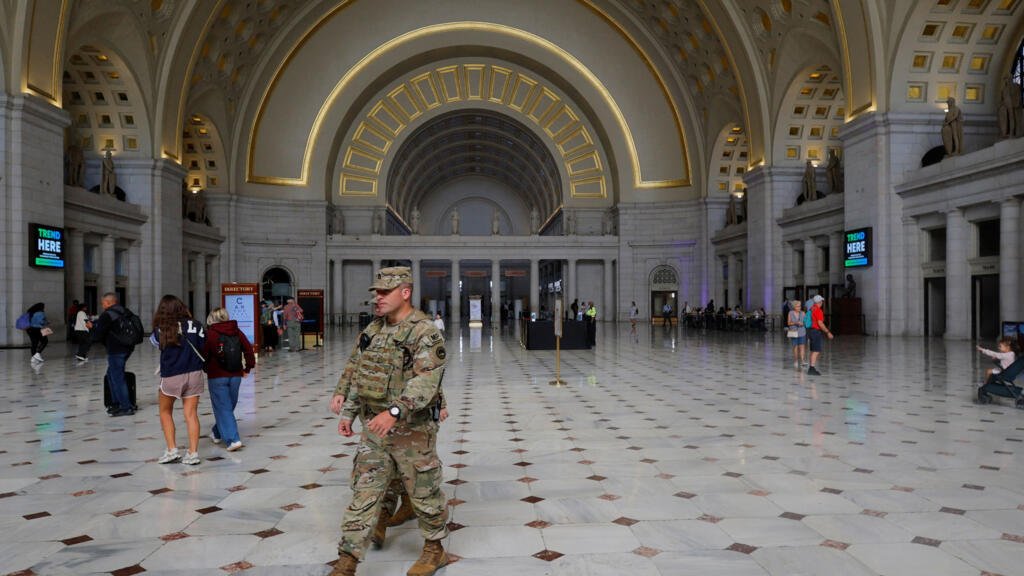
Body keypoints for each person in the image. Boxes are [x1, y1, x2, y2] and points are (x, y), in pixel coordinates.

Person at [327, 266, 449, 576]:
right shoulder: (373, 330)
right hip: (375, 428)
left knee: (423, 489)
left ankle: (435, 548)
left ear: (405, 293)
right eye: (375, 292)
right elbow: (360, 371)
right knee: (364, 490)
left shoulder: (424, 331)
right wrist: (350, 411)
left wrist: (395, 411)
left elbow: (426, 381)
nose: (376, 298)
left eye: (384, 292)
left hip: (412, 429)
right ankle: (346, 562)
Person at [151, 295, 206, 465]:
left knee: (165, 411)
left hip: (172, 374)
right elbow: (203, 345)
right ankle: (193, 453)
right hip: (195, 373)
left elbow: (155, 344)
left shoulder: (162, 327)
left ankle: (172, 449)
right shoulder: (196, 324)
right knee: (191, 414)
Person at [203, 307, 256, 452]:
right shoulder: (236, 331)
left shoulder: (210, 334)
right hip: (235, 375)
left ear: (211, 319)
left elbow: (204, 354)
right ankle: (217, 432)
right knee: (228, 406)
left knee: (223, 407)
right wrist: (248, 368)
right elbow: (248, 349)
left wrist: (205, 368)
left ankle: (233, 439)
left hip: (217, 376)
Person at [89, 293, 137, 416]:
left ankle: (126, 407)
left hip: (116, 349)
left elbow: (98, 335)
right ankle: (116, 403)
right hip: (127, 347)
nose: (102, 305)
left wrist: (92, 327)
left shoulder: (107, 315)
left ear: (109, 302)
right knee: (111, 375)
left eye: (103, 303)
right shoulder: (126, 312)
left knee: (117, 377)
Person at [806, 294, 834, 375]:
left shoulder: (812, 308)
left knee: (813, 350)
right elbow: (820, 323)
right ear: (819, 302)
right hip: (815, 331)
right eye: (821, 301)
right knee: (816, 350)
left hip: (810, 331)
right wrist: (828, 332)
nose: (822, 302)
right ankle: (811, 368)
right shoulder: (818, 310)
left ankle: (811, 368)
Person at [787, 299, 807, 368]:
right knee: (795, 347)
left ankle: (802, 361)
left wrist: (803, 323)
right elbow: (789, 323)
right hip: (794, 332)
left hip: (802, 332)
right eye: (798, 306)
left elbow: (806, 323)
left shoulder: (803, 313)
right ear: (794, 307)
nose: (799, 307)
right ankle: (796, 361)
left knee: (802, 347)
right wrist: (796, 323)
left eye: (800, 306)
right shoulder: (790, 313)